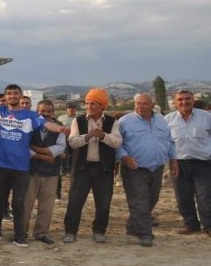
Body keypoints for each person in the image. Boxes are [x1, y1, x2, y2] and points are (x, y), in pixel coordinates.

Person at [0, 81, 68, 247]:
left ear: (20, 95)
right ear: (6, 96)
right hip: (0, 166)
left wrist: (60, 129)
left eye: (15, 93)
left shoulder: (30, 115)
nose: (12, 96)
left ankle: (19, 236)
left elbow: (47, 123)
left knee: (18, 203)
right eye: (9, 94)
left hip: (20, 167)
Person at [117, 93, 178, 247]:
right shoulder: (125, 122)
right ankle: (145, 233)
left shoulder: (161, 120)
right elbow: (117, 144)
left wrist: (173, 160)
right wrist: (125, 157)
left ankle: (132, 227)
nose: (140, 107)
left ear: (152, 105)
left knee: (152, 200)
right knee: (140, 202)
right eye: (138, 103)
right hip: (135, 169)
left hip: (157, 168)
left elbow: (170, 141)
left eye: (144, 103)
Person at [62, 88, 122, 243]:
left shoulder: (112, 122)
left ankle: (99, 231)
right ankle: (70, 231)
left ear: (102, 106)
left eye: (93, 103)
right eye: (87, 103)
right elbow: (72, 142)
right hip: (82, 168)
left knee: (103, 202)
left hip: (104, 168)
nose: (89, 106)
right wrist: (87, 137)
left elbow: (117, 142)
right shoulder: (78, 121)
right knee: (75, 201)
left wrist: (103, 136)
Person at [164, 90, 211, 236]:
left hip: (203, 163)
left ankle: (208, 226)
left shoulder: (206, 117)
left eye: (187, 99)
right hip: (178, 164)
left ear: (193, 100)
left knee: (205, 197)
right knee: (183, 197)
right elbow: (164, 142)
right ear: (175, 102)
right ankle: (191, 225)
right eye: (180, 100)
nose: (184, 102)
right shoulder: (168, 120)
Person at [23, 100, 66, 245]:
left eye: (49, 111)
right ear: (37, 112)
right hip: (30, 171)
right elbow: (24, 147)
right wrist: (43, 156)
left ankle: (41, 233)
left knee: (46, 206)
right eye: (42, 111)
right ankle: (21, 232)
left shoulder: (59, 127)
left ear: (53, 112)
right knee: (25, 204)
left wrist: (38, 149)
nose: (46, 114)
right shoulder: (29, 125)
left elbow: (60, 147)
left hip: (51, 172)